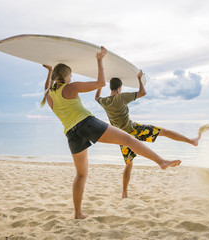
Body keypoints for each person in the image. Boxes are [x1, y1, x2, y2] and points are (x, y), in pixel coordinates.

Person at [41, 46, 181, 219]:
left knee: (81, 174)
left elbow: (47, 87)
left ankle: (77, 213)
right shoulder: (71, 87)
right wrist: (100, 60)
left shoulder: (49, 96)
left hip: (71, 135)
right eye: (70, 74)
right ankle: (161, 161)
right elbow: (100, 83)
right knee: (129, 139)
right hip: (87, 124)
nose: (72, 77)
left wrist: (49, 72)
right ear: (64, 76)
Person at [95, 70, 209, 198]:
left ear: (110, 87)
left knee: (129, 164)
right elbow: (143, 93)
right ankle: (191, 141)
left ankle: (124, 193)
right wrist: (139, 79)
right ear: (119, 87)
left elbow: (96, 98)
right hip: (135, 130)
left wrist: (99, 86)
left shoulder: (104, 101)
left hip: (122, 137)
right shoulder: (122, 97)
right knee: (164, 132)